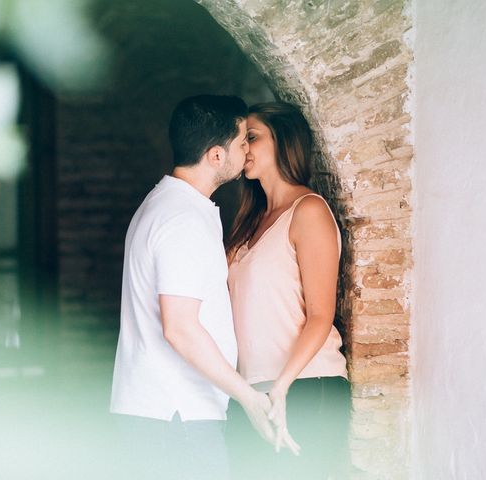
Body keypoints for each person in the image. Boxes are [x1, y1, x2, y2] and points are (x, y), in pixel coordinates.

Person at [110, 95, 290, 480]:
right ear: (215, 156)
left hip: (168, 415)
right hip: (176, 415)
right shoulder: (182, 219)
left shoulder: (173, 205)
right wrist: (249, 398)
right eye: (242, 142)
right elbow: (180, 327)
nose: (247, 151)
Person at [225, 102, 351, 479]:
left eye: (252, 137)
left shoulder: (308, 210)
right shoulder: (248, 218)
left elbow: (319, 316)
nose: (243, 147)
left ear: (283, 141)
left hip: (305, 386)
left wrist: (282, 387)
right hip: (252, 391)